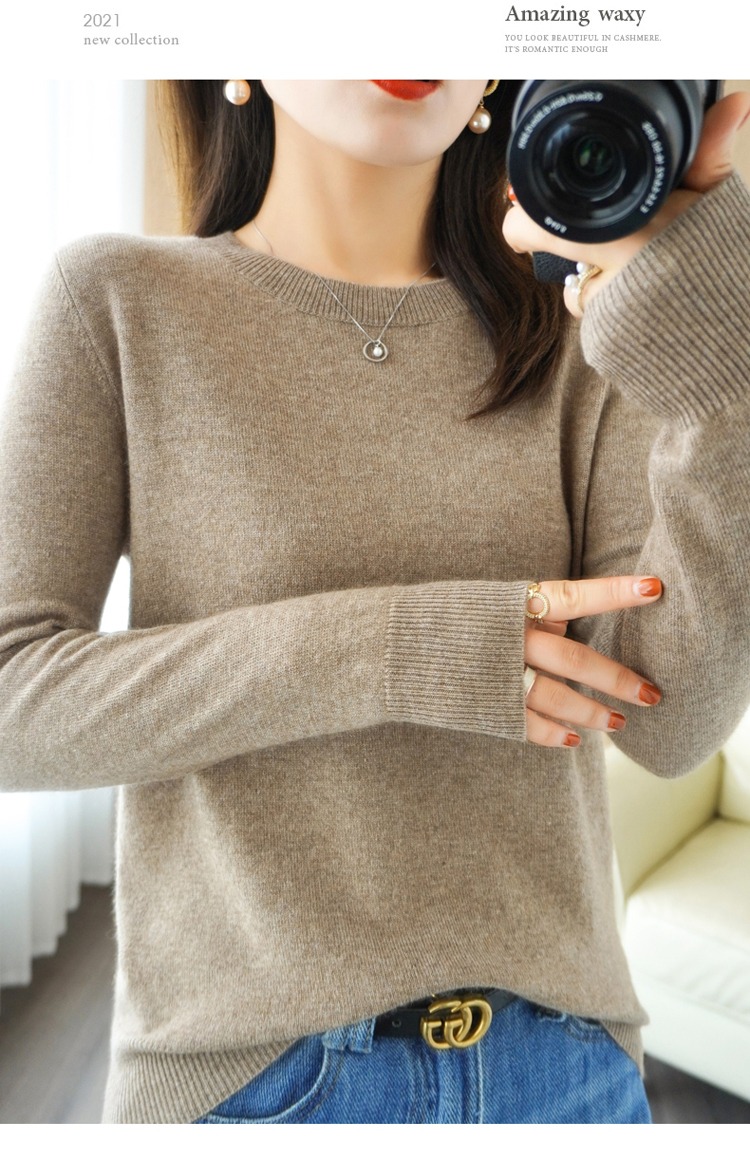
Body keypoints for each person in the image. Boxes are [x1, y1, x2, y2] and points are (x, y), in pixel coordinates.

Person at [0, 78, 748, 1126]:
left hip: (564, 1072)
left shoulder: (585, 325)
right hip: (247, 1085)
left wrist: (727, 379)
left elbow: (667, 719)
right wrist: (400, 650)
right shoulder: (117, 299)